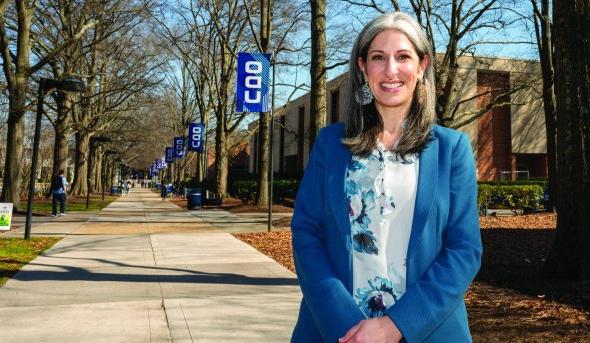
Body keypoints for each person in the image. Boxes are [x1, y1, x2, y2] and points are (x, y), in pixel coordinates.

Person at [291, 12, 482, 343]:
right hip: (335, 330)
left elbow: (464, 250)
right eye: (379, 57)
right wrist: (349, 327)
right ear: (363, 68)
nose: (391, 70)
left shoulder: (452, 150)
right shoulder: (330, 145)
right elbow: (307, 234)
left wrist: (396, 325)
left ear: (422, 66)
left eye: (403, 56)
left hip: (428, 330)